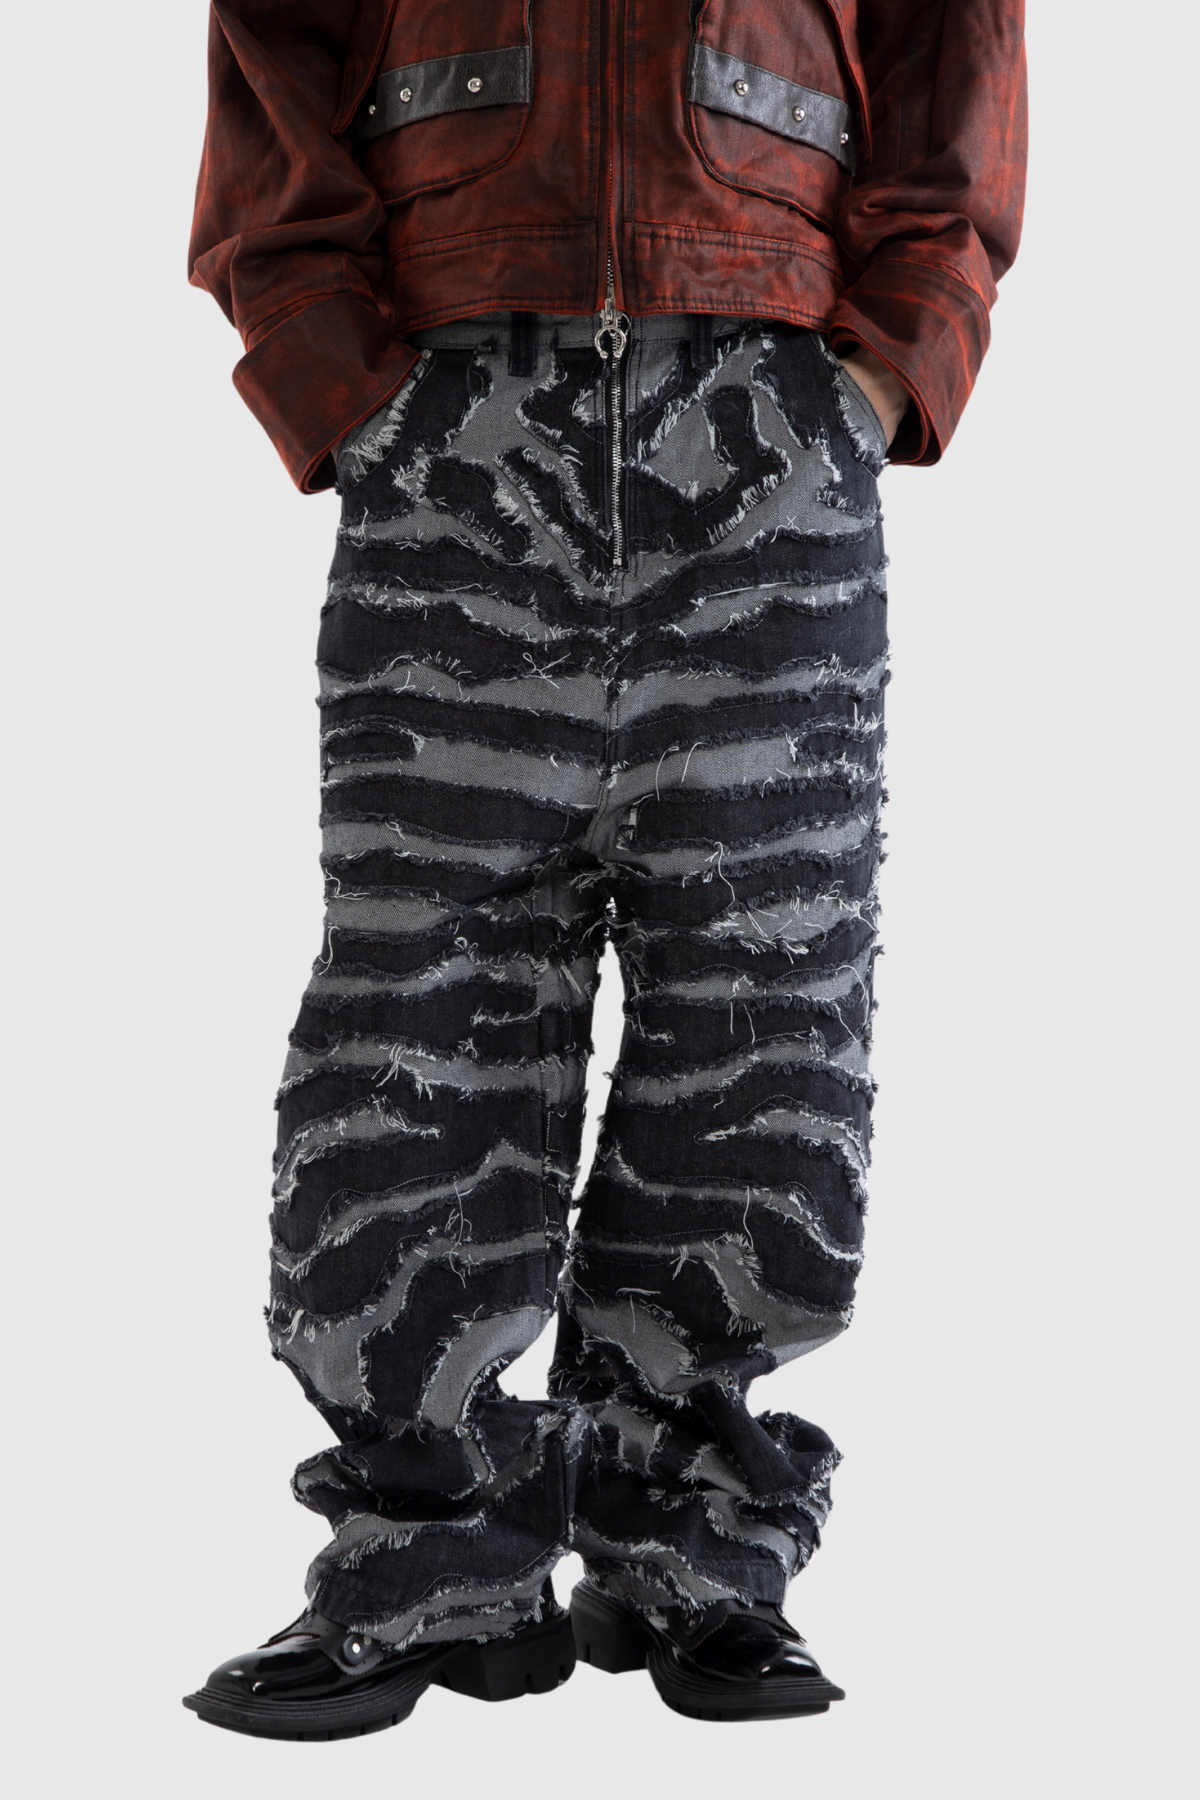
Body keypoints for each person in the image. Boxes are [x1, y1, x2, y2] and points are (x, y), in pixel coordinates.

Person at [183, 0, 1026, 1738]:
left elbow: (956, 63)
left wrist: (885, 369)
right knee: (421, 999)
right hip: (457, 420)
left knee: (765, 1006)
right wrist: (346, 383)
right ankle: (428, 1557)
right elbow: (273, 55)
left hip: (768, 422)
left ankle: (696, 1549)